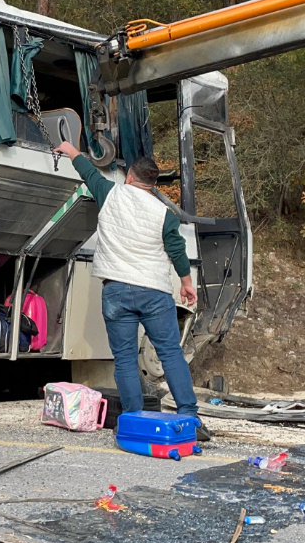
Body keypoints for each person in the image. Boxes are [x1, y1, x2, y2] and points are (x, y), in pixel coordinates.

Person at [54, 141, 201, 421]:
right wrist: (186, 282)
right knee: (170, 353)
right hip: (154, 292)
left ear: (130, 176)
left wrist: (72, 150)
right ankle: (189, 415)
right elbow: (177, 250)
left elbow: (89, 173)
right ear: (153, 184)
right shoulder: (165, 215)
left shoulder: (111, 193)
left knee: (124, 358)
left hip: (116, 290)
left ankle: (134, 418)